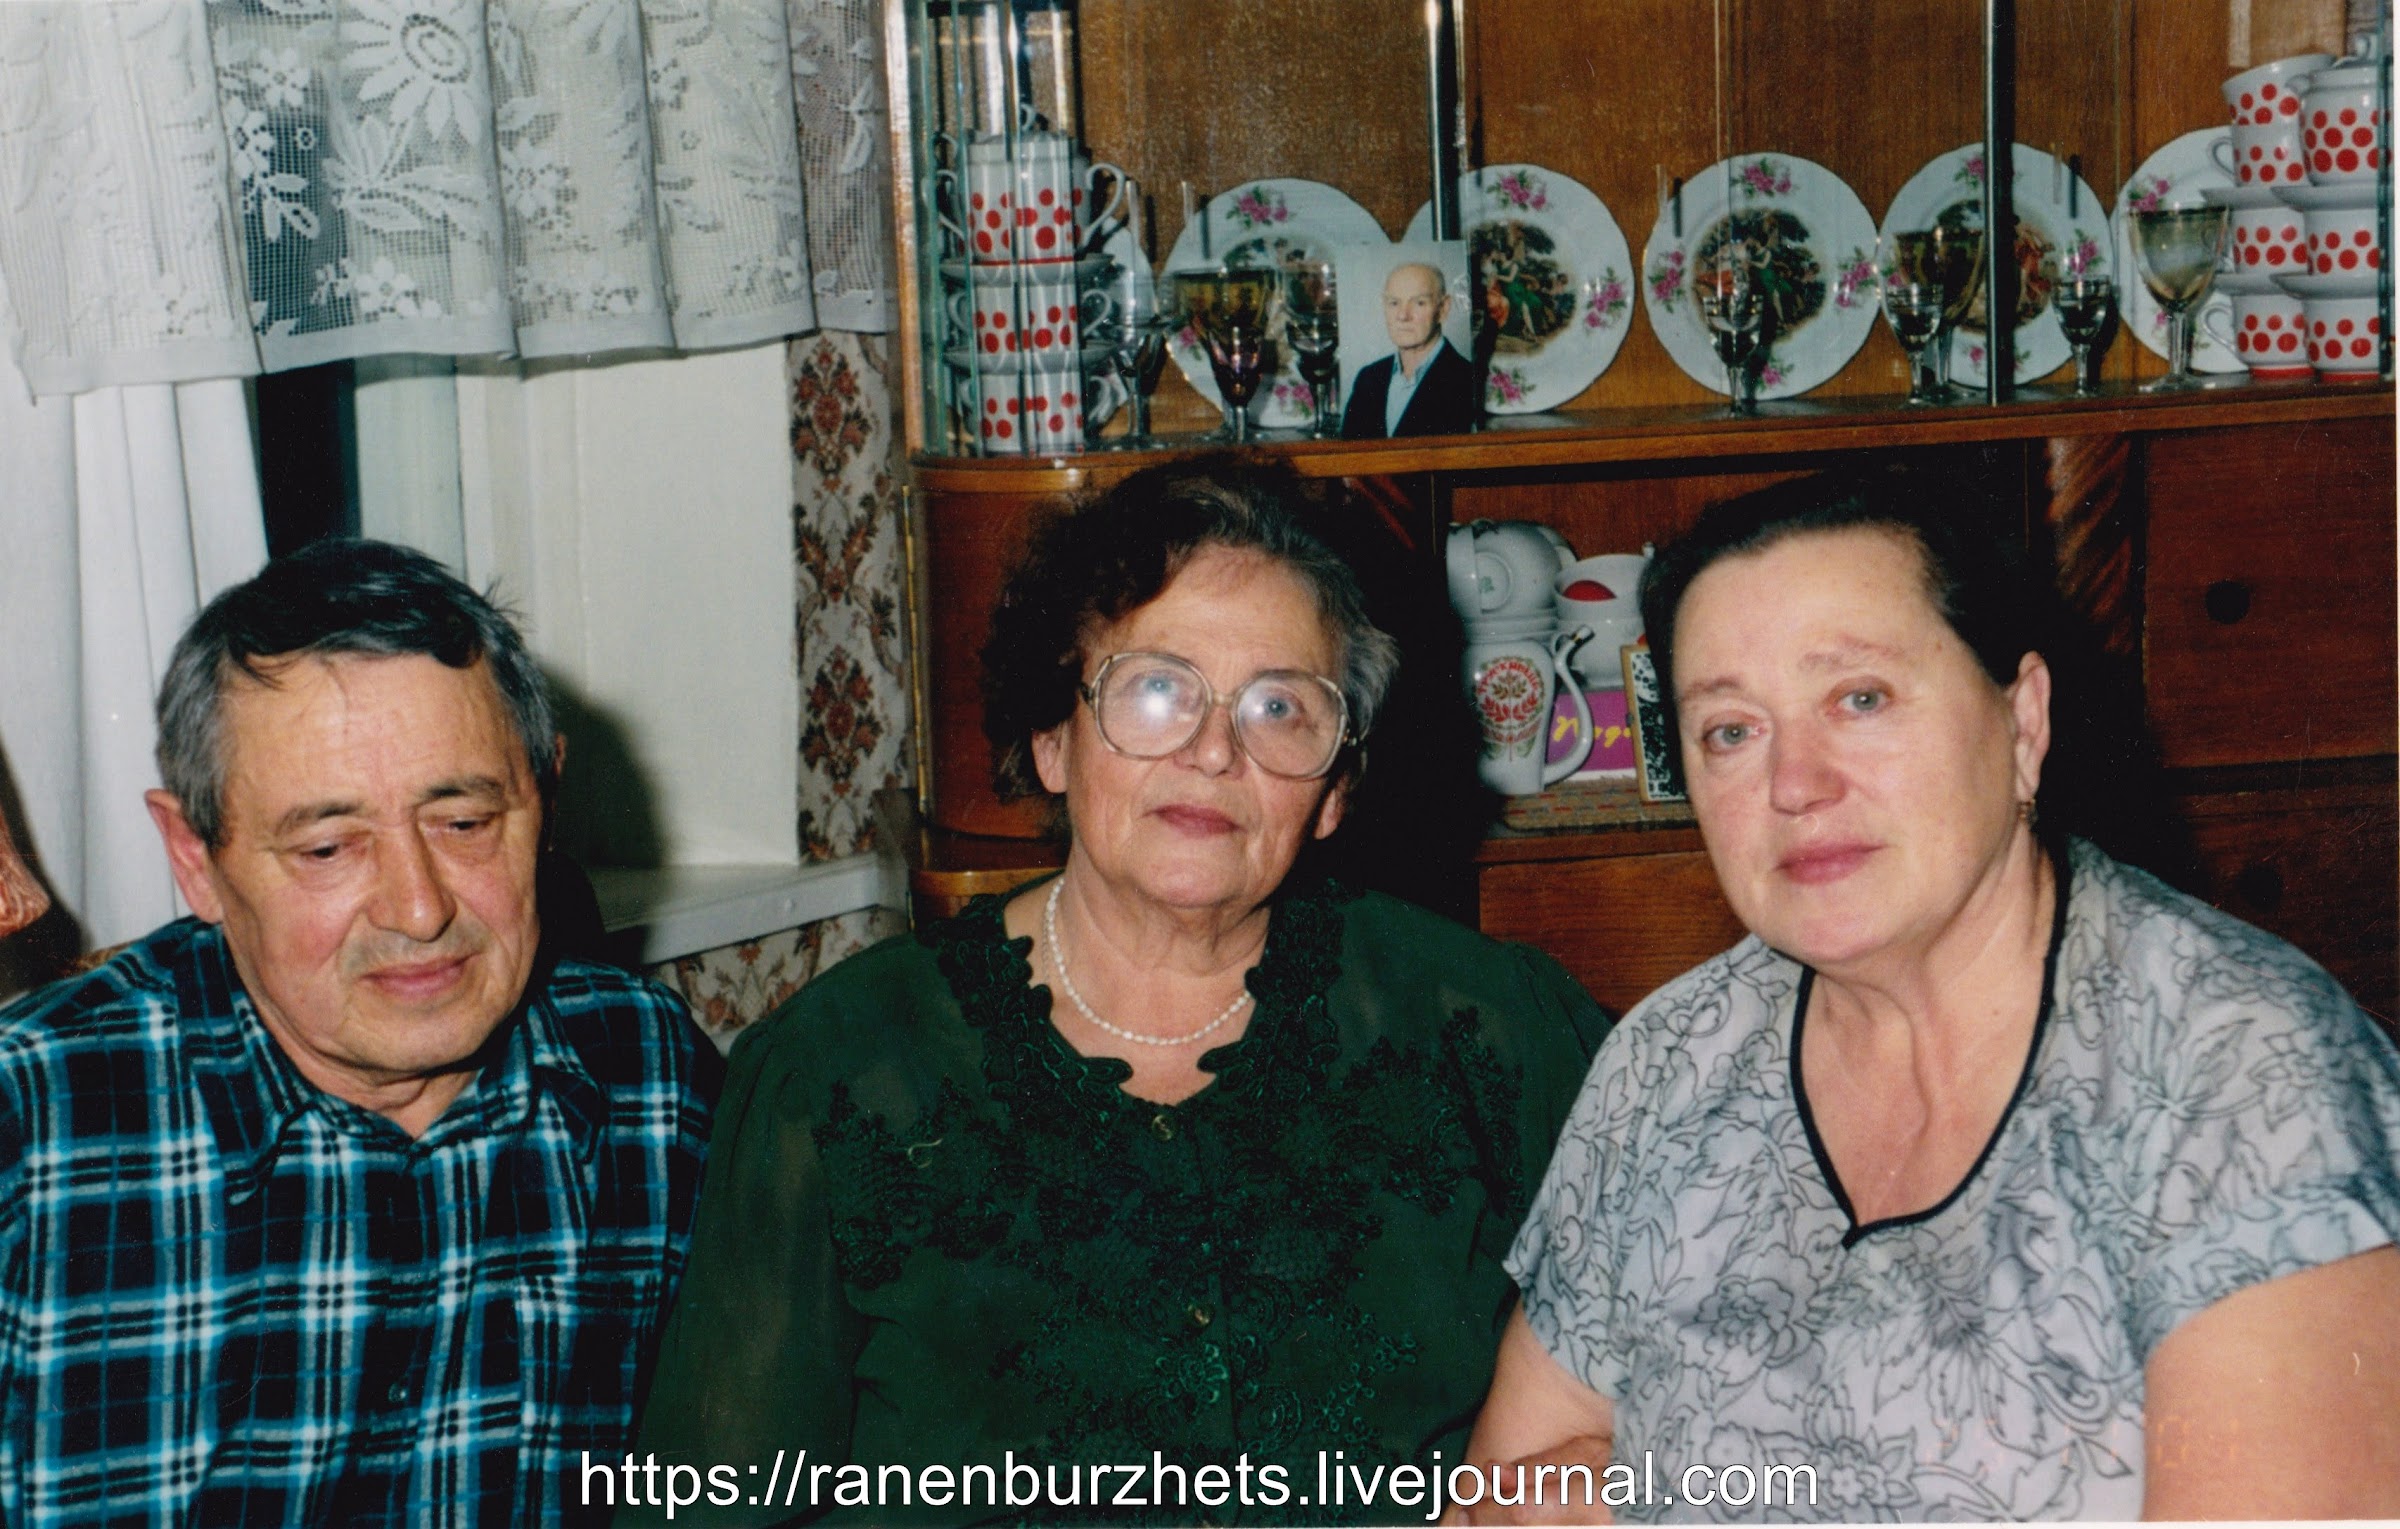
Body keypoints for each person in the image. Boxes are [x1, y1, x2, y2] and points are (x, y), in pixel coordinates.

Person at [632, 462, 1609, 1525]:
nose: (1212, 749)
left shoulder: (1494, 1030)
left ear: (1334, 789)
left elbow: (1712, 1375)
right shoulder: (842, 1069)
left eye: (1279, 705)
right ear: (1052, 738)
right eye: (1157, 688)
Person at [1467, 464, 2400, 1521]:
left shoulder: (2243, 1075)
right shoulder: (1671, 1058)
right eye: (1731, 729)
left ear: (2023, 720)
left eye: (1858, 699)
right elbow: (1506, 1492)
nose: (1795, 783)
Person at [0, 539, 717, 1525]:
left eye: (464, 822)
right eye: (329, 847)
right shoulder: (29, 1128)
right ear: (194, 856)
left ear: (544, 800)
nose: (418, 908)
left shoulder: (650, 1080)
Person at [1342, 260, 1477, 439]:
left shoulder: (1468, 382)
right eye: (1394, 303)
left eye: (1419, 303)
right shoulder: (1368, 378)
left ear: (1443, 309)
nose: (1403, 315)